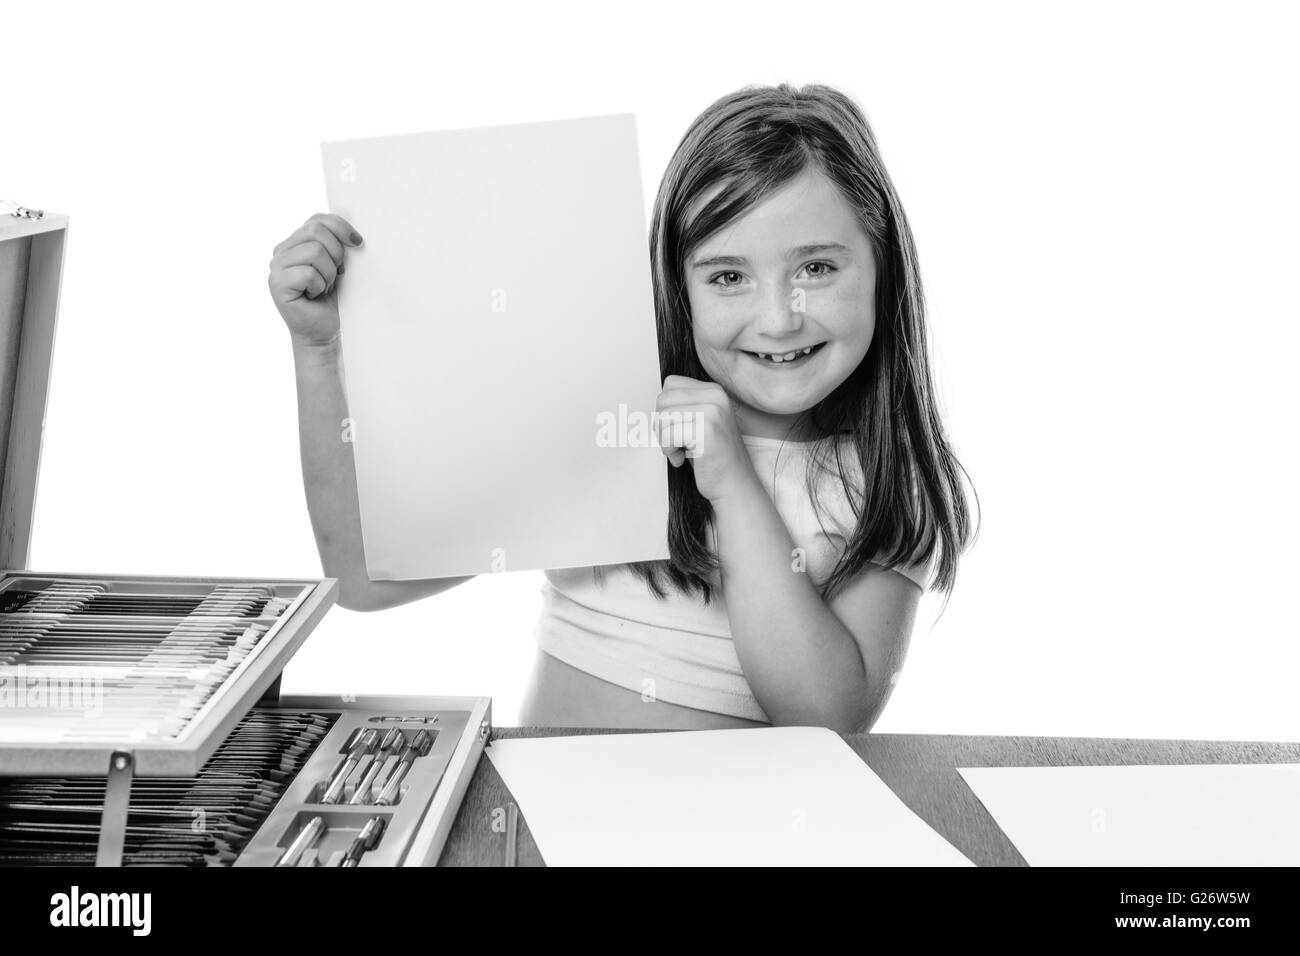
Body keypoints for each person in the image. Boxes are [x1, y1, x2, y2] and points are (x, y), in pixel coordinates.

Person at [266, 83, 977, 734]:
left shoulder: (887, 479)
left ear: (884, 265)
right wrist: (322, 353)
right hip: (548, 825)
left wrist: (733, 483)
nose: (779, 317)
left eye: (816, 268)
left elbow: (824, 716)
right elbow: (363, 578)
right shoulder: (611, 423)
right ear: (677, 287)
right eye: (728, 275)